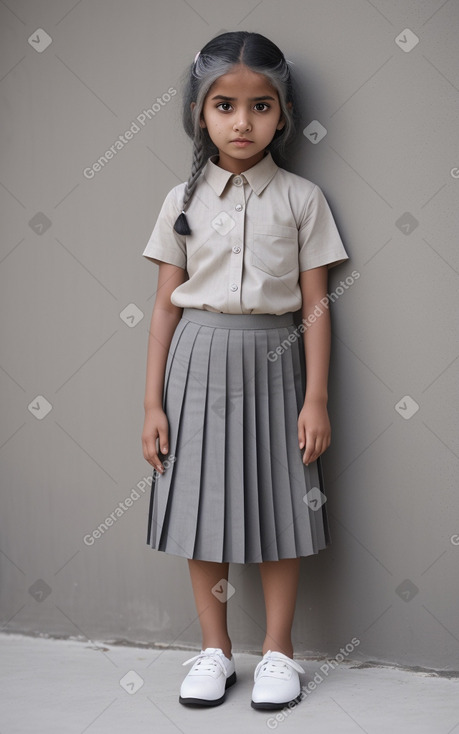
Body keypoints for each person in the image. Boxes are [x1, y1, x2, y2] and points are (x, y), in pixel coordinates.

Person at [141, 30, 349, 711]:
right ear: (199, 114)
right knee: (200, 505)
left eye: (260, 105)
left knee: (279, 505)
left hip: (275, 363)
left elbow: (316, 306)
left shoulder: (301, 198)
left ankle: (279, 653)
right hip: (195, 361)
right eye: (223, 105)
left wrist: (315, 397)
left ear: (283, 114)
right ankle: (213, 649)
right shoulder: (180, 199)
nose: (241, 121)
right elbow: (164, 309)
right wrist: (152, 404)